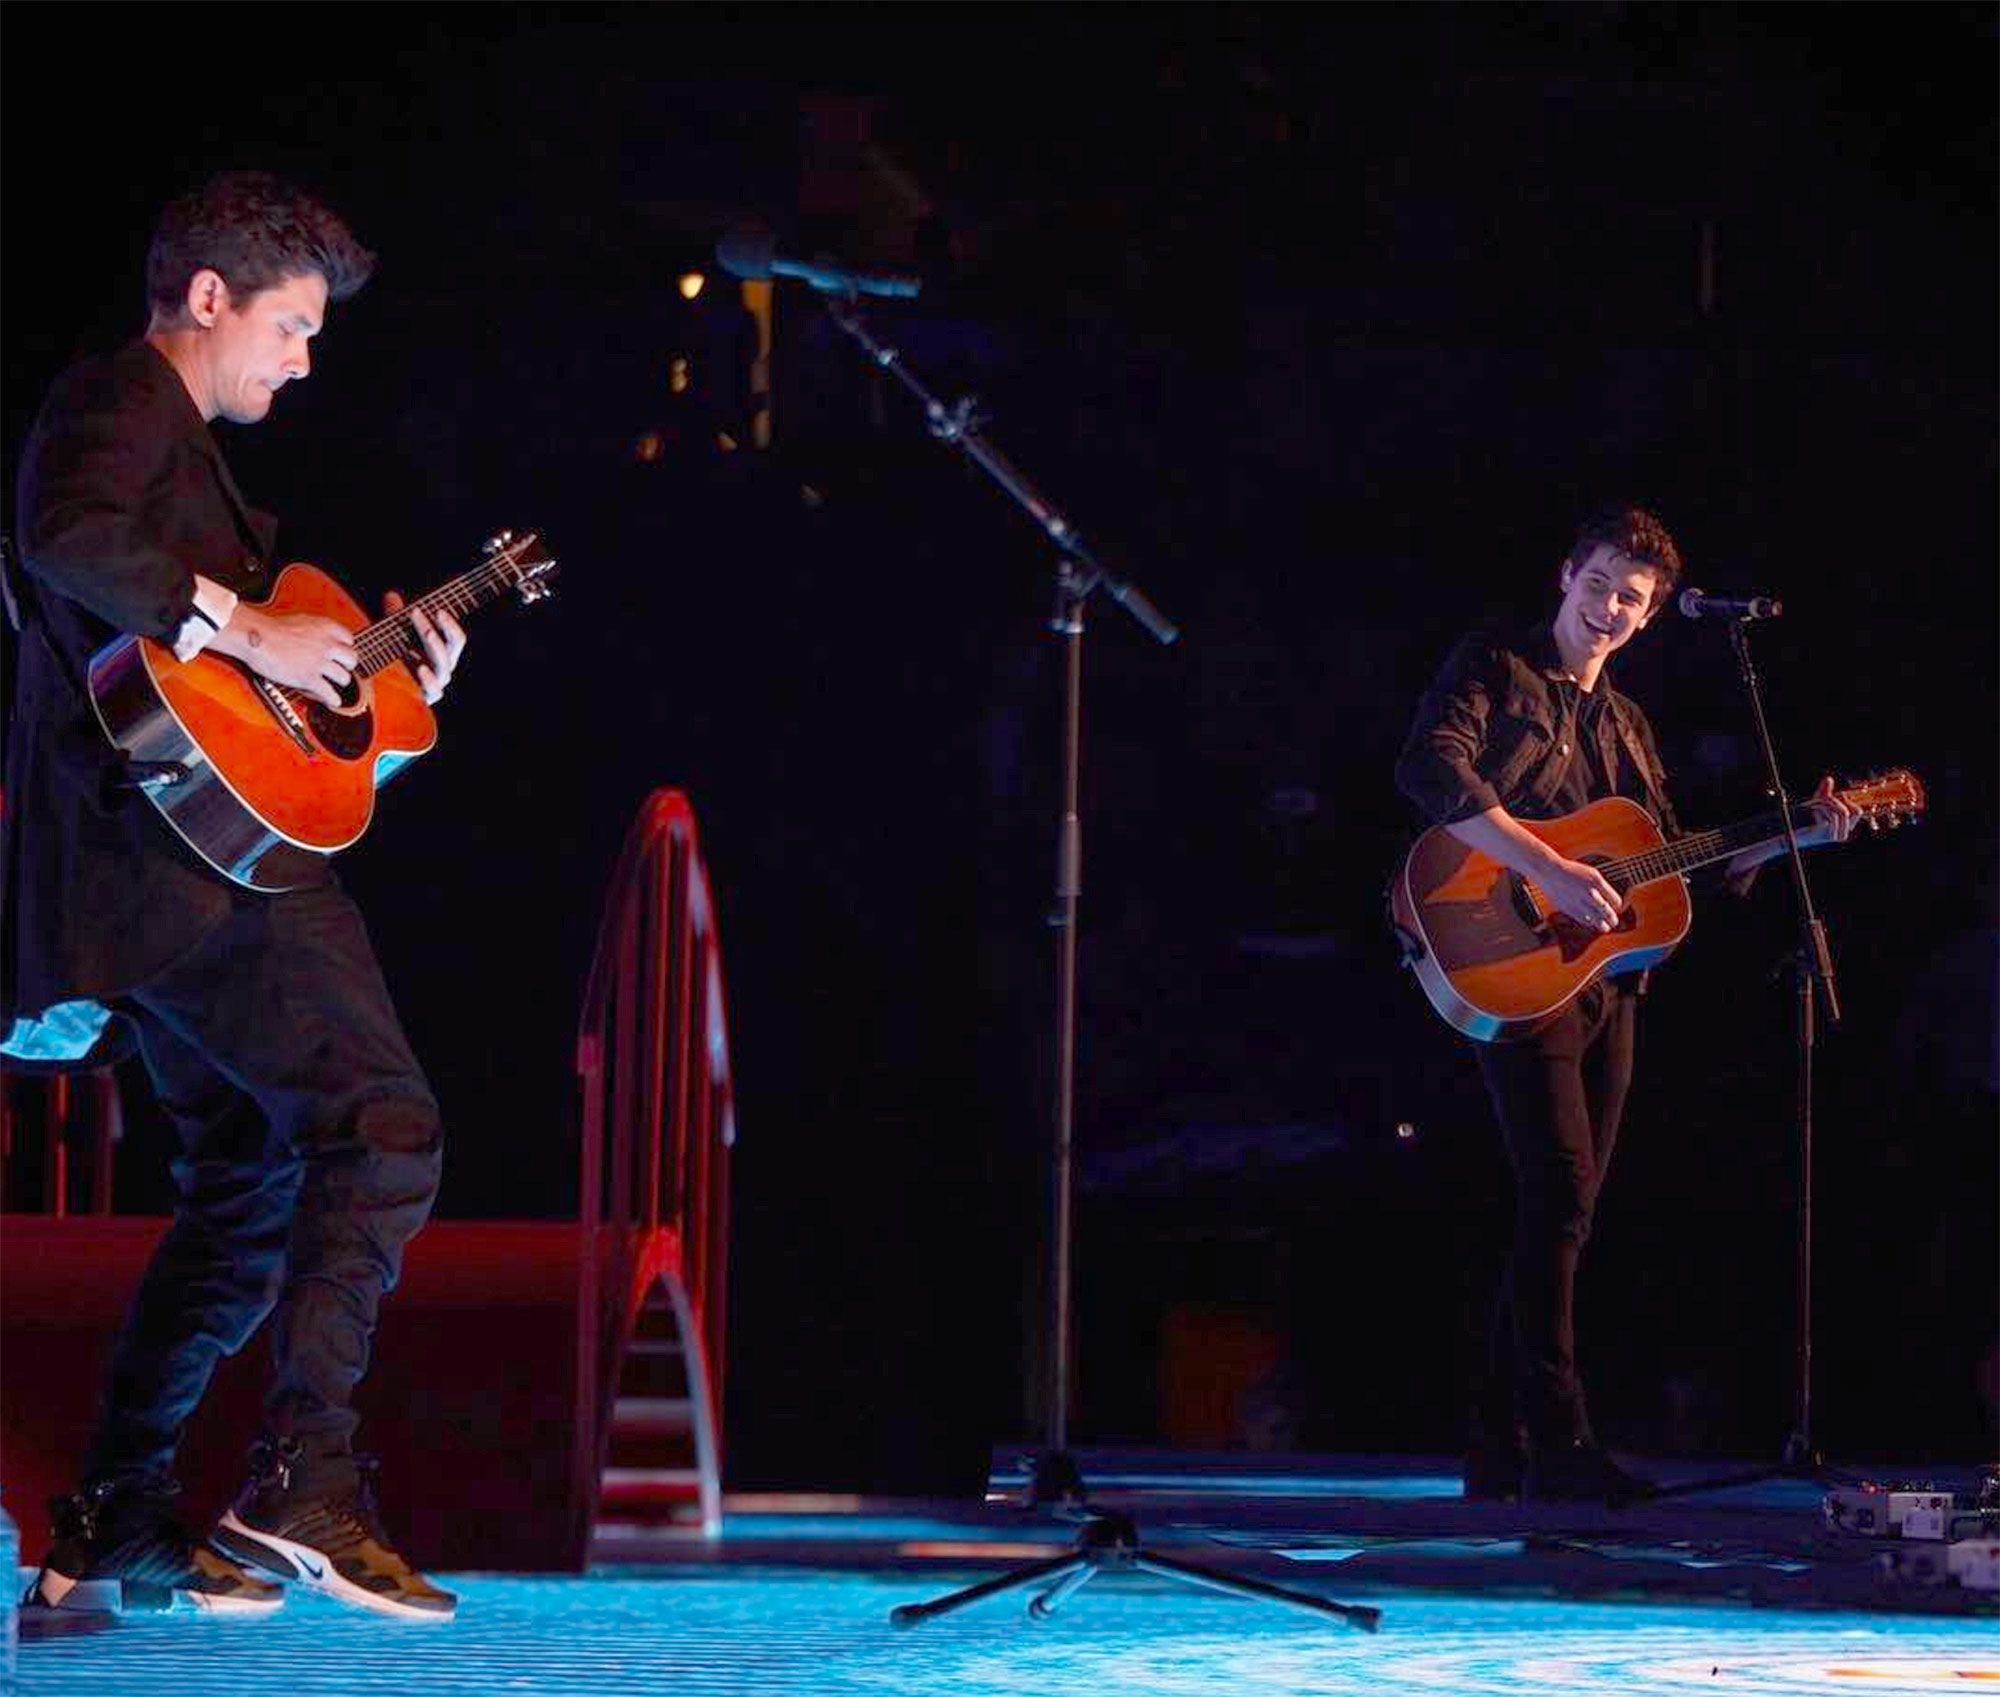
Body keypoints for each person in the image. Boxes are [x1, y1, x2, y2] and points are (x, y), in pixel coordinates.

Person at [4, 172, 466, 1619]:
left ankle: (106, 1522)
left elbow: (237, 728)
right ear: (211, 299)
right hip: (181, 877)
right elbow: (63, 534)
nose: (305, 359)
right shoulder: (122, 401)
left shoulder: (186, 462)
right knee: (382, 1129)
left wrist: (381, 709)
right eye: (293, 324)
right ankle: (306, 1477)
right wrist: (246, 623)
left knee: (251, 1192)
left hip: (164, 872)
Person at [1393, 504, 1855, 1503]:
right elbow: (1428, 764)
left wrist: (1799, 835)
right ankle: (1557, 1441)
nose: (1608, 607)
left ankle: (1494, 1437)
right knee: (1557, 1189)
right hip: (1508, 954)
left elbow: (1678, 863)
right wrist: (1549, 867)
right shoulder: (1496, 669)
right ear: (1565, 576)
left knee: (1566, 1207)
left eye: (1629, 598)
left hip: (1601, 981)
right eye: (1597, 583)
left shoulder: (1630, 730)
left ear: (1647, 619)